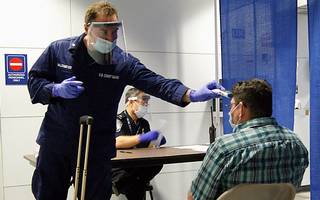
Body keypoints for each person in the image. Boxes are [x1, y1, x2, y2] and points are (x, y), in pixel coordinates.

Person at [27, 1, 224, 200]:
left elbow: (155, 82)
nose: (111, 38)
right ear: (87, 28)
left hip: (97, 145)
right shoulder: (58, 50)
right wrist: (55, 90)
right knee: (48, 195)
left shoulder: (121, 62)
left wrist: (190, 94)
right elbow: (34, 81)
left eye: (115, 31)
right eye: (104, 32)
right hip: (57, 140)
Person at [188, 79, 309, 200]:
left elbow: (196, 197)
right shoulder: (297, 145)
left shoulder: (224, 148)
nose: (230, 111)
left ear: (240, 109)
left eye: (231, 106)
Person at [112, 88, 165, 200]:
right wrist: (142, 137)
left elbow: (148, 147)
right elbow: (118, 141)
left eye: (147, 102)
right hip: (122, 165)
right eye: (143, 101)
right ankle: (126, 183)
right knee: (137, 183)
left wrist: (156, 141)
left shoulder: (143, 123)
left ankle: (121, 184)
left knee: (157, 163)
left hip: (137, 165)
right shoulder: (118, 120)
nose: (146, 104)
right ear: (131, 102)